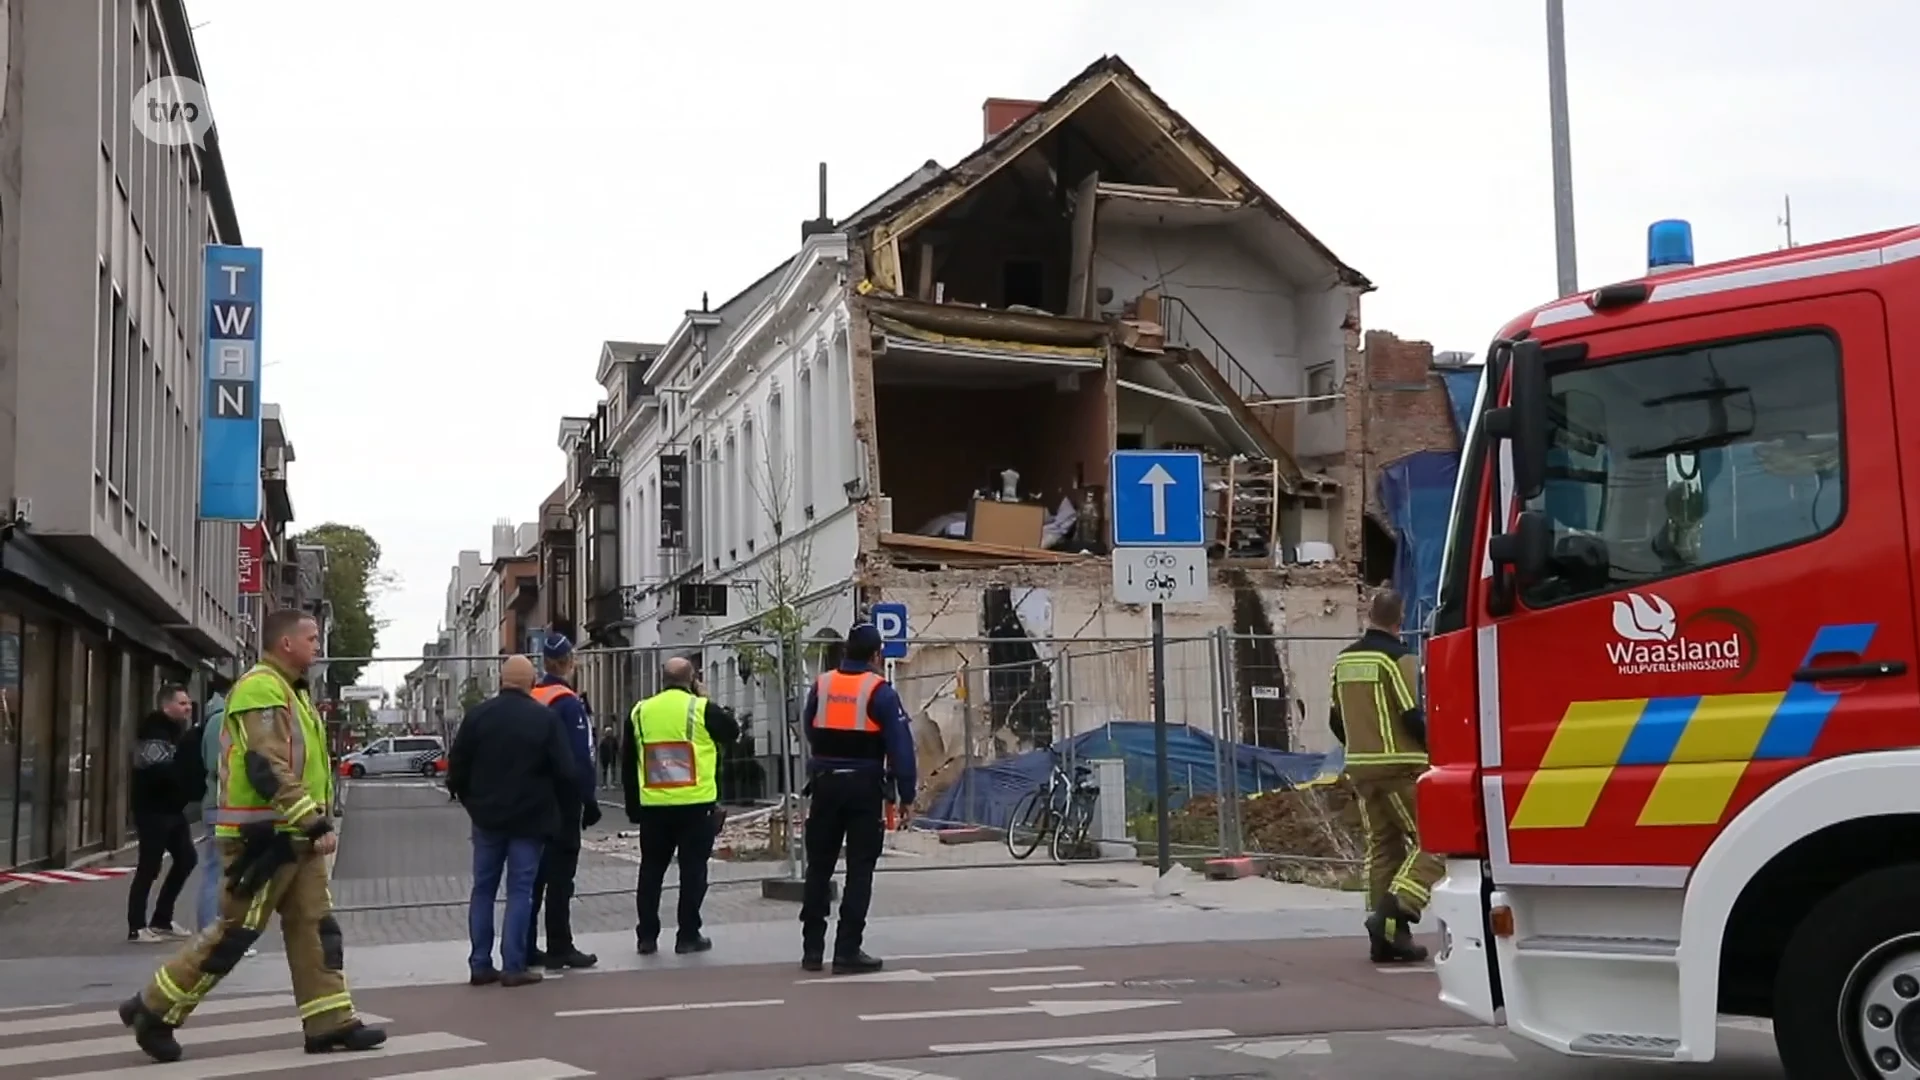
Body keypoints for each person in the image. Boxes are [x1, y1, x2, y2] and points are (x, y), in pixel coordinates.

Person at [119, 609, 385, 1064]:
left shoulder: (291, 691)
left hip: (288, 835)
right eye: (312, 638)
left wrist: (310, 822)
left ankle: (329, 1022)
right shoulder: (262, 687)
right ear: (286, 644)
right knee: (233, 934)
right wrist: (313, 821)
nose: (318, 646)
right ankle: (153, 1009)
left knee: (316, 928)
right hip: (263, 839)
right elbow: (266, 766)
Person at [447, 655, 579, 987]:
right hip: (530, 820)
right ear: (531, 682)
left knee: (483, 889)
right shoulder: (545, 719)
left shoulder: (477, 717)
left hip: (487, 819)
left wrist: (472, 804)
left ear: (502, 681)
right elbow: (565, 771)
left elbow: (457, 768)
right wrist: (561, 811)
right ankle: (513, 965)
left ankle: (480, 963)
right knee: (520, 890)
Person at [1330, 587, 1441, 965]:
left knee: (1384, 850)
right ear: (1400, 619)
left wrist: (1361, 747)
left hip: (1361, 768)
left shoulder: (1343, 662)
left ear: (1369, 615)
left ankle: (1388, 941)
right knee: (1437, 841)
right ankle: (1395, 912)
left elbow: (1335, 720)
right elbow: (1413, 715)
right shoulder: (1399, 659)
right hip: (1402, 768)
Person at [798, 622, 916, 975]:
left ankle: (811, 950)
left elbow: (809, 726)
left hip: (825, 783)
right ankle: (847, 950)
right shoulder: (880, 691)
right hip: (864, 787)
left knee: (818, 866)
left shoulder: (822, 684)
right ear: (877, 654)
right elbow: (900, 748)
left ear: (845, 650)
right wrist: (905, 793)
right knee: (860, 869)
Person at [623, 656, 739, 956]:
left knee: (650, 872)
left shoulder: (640, 711)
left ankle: (646, 937)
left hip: (654, 806)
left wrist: (633, 807)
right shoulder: (701, 709)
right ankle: (688, 935)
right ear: (693, 678)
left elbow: (628, 762)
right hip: (695, 806)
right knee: (693, 872)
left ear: (663, 680)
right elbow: (732, 731)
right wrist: (705, 697)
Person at [524, 633, 601, 970]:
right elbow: (579, 757)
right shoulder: (568, 703)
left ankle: (524, 944)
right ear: (569, 662)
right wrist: (589, 799)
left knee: (531, 879)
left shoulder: (530, 697)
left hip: (530, 799)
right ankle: (560, 944)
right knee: (560, 877)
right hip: (562, 801)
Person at [127, 684, 199, 943]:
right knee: (149, 865)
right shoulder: (154, 732)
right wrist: (186, 780)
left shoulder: (177, 732)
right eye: (182, 703)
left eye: (188, 703)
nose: (188, 707)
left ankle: (162, 919)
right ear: (166, 705)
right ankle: (136, 926)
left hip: (172, 809)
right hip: (153, 810)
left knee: (187, 858)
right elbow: (160, 771)